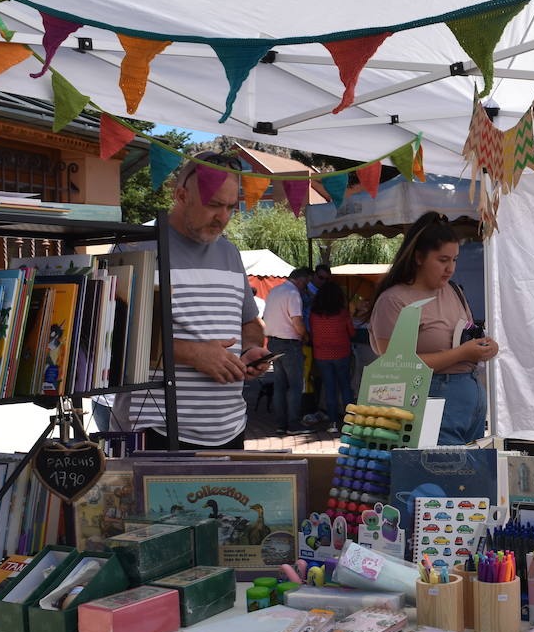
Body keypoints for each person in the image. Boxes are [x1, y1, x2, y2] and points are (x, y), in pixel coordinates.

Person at [110, 151, 272, 449]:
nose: (222, 217)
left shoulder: (230, 253)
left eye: (230, 207)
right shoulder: (135, 247)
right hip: (154, 428)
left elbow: (250, 322)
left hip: (229, 427)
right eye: (213, 205)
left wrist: (249, 349)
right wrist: (194, 354)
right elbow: (113, 336)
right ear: (182, 195)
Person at [369, 212, 497, 445]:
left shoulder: (454, 291)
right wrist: (462, 353)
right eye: (442, 260)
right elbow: (394, 366)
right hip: (430, 402)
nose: (450, 268)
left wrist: (485, 346)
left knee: (467, 478)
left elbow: (466, 333)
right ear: (419, 257)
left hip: (470, 403)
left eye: (455, 260)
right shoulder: (395, 300)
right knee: (442, 475)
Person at [261, 267, 313, 436]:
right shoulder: (293, 294)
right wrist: (305, 335)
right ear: (302, 279)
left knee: (280, 385)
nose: (307, 287)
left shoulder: (275, 291)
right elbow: (297, 322)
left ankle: (281, 424)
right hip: (289, 344)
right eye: (307, 282)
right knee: (295, 386)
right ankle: (293, 424)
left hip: (273, 342)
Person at [308, 282, 355, 434]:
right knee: (345, 386)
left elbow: (312, 332)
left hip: (322, 354)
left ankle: (333, 423)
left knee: (329, 388)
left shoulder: (314, 314)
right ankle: (350, 423)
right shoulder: (342, 313)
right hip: (342, 353)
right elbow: (352, 332)